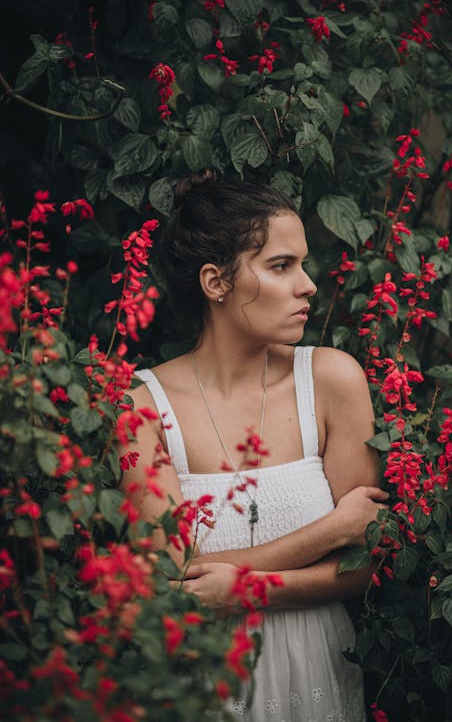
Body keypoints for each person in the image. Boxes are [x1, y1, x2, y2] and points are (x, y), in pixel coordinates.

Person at [120, 169, 389, 722]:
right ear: (216, 282)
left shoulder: (332, 381)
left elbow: (366, 565)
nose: (308, 285)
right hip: (199, 680)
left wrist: (238, 585)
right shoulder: (142, 406)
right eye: (281, 266)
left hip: (315, 669)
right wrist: (330, 531)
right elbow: (172, 581)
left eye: (303, 264)